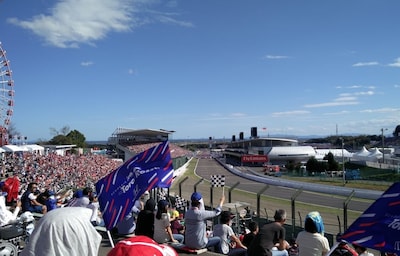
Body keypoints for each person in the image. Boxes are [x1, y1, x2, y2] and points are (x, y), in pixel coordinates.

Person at [20, 207, 102, 256]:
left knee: (42, 247)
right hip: (69, 223)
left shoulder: (84, 209)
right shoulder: (92, 215)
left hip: (48, 218)